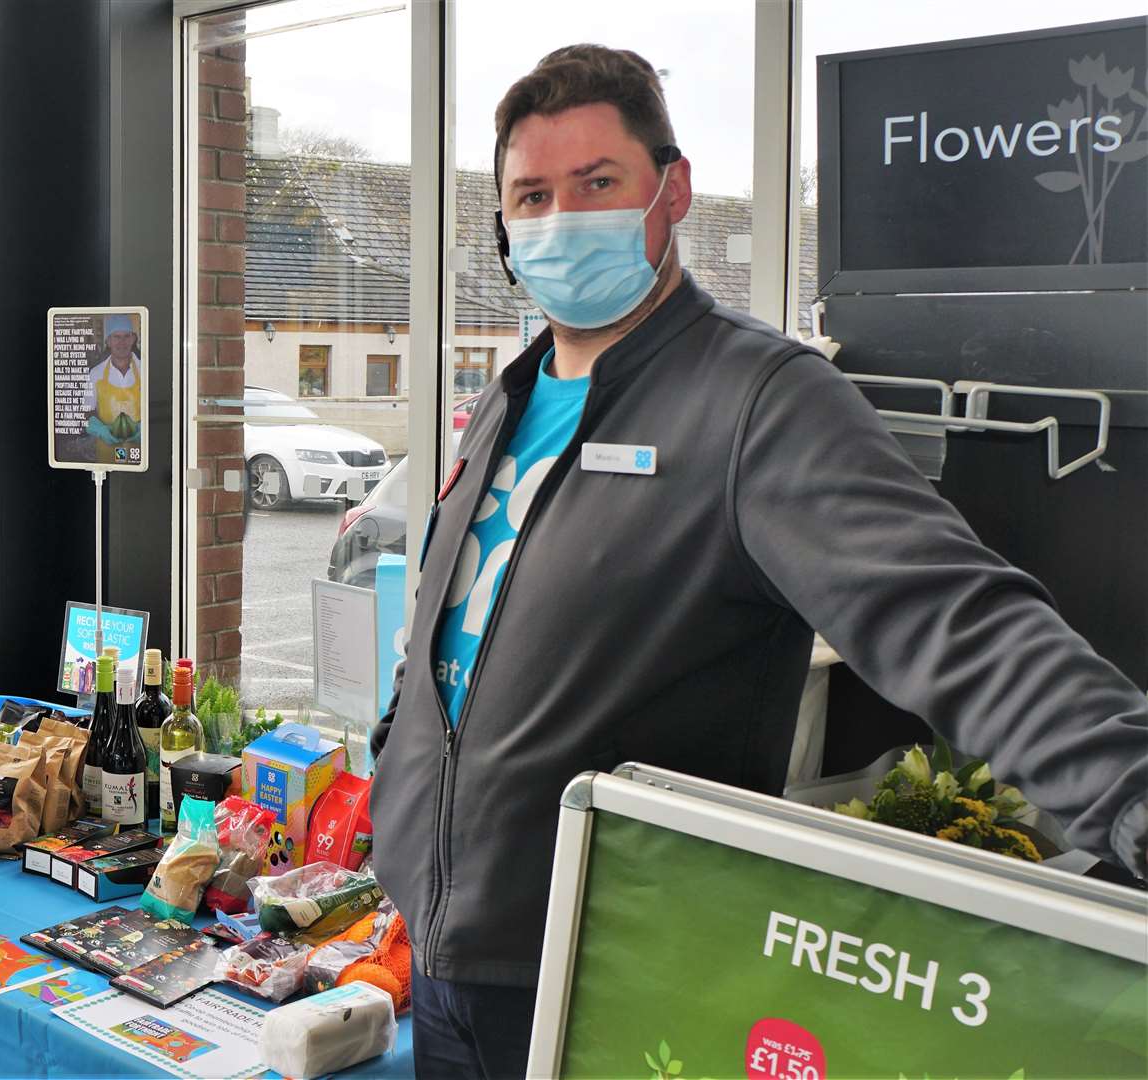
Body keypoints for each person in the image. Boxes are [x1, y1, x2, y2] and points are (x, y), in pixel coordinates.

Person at [368, 44, 1148, 1078]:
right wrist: (394, 770)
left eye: (597, 184)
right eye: (533, 195)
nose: (561, 220)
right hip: (442, 954)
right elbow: (453, 624)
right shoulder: (508, 399)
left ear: (671, 189)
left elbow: (952, 614)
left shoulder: (757, 401)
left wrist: (1132, 790)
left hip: (608, 959)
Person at [82, 312, 142, 464]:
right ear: (108, 341)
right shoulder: (95, 374)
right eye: (116, 337)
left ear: (133, 339)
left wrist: (144, 429)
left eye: (126, 336)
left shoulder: (146, 370)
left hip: (140, 451)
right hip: (106, 450)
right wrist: (101, 430)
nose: (122, 342)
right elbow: (85, 413)